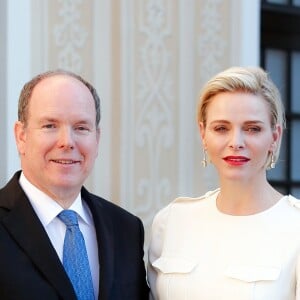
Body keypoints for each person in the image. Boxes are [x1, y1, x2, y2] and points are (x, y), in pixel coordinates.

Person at [147, 66, 300, 300]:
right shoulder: (170, 222)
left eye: (252, 129)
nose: (236, 142)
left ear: (274, 136)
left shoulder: (295, 226)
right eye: (221, 128)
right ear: (203, 134)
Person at [0, 69, 149, 300]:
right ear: (21, 136)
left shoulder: (127, 230)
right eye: (50, 125)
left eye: (81, 128)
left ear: (96, 139)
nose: (67, 142)